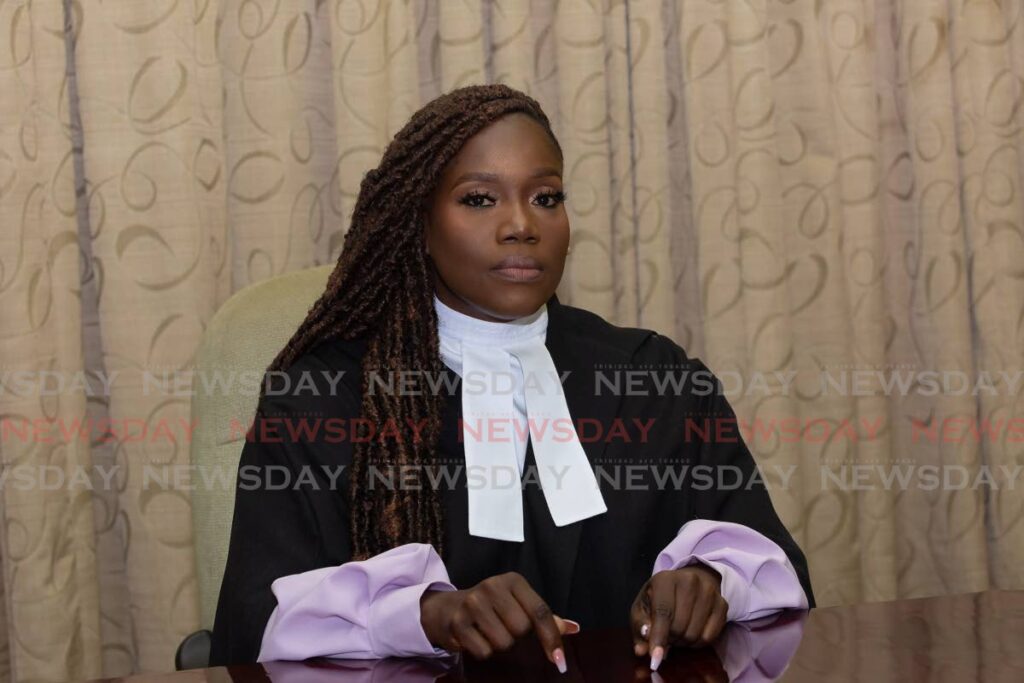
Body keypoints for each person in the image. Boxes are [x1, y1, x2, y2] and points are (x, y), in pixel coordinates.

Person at [208, 84, 814, 675]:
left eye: (546, 196)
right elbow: (259, 623)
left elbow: (770, 562)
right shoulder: (323, 399)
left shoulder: (652, 378)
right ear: (417, 222)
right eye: (479, 199)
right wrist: (425, 614)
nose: (522, 224)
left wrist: (712, 582)